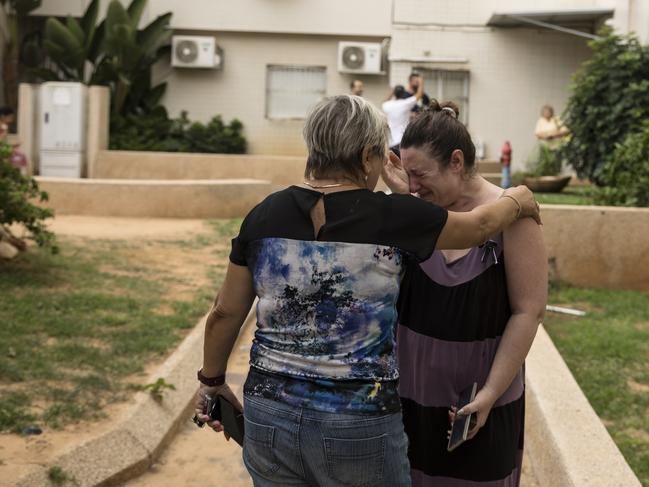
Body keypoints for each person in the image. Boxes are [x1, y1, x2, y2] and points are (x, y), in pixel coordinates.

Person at [194, 95, 540, 487]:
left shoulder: (264, 215)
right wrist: (518, 198)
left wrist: (212, 382)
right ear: (367, 157)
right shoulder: (392, 217)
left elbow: (224, 312)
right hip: (357, 421)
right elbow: (478, 227)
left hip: (268, 413)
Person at [382, 100, 547, 487]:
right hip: (410, 400)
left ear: (456, 161)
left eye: (420, 174)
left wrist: (489, 394)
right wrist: (406, 195)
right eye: (408, 175)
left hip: (479, 407)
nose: (414, 185)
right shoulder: (415, 210)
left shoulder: (513, 216)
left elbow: (529, 311)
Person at [382, 77, 424, 158]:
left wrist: (391, 91)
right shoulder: (405, 103)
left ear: (395, 94)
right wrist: (421, 82)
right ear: (403, 94)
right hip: (401, 140)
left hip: (390, 141)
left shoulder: (387, 105)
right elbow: (419, 95)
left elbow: (384, 101)